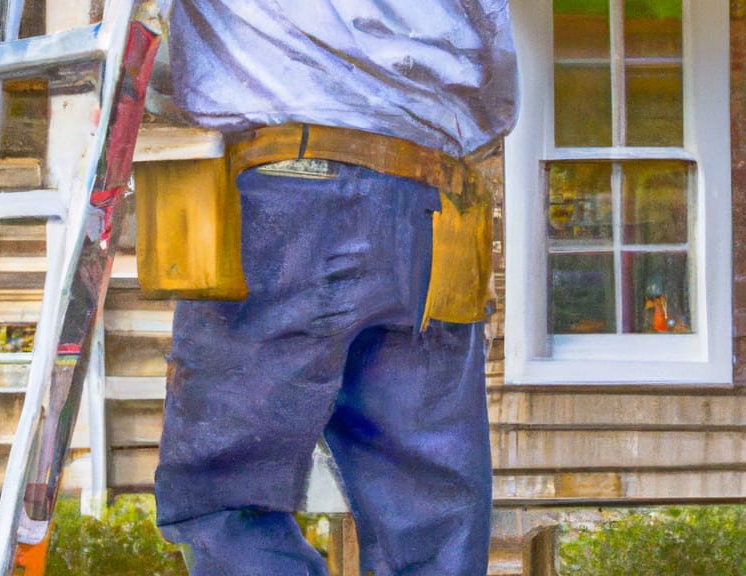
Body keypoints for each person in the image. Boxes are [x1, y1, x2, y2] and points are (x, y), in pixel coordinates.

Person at [150, 2, 518, 574]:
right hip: (440, 196)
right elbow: (496, 76)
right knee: (432, 519)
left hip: (285, 188)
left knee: (226, 495)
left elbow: (142, 56)